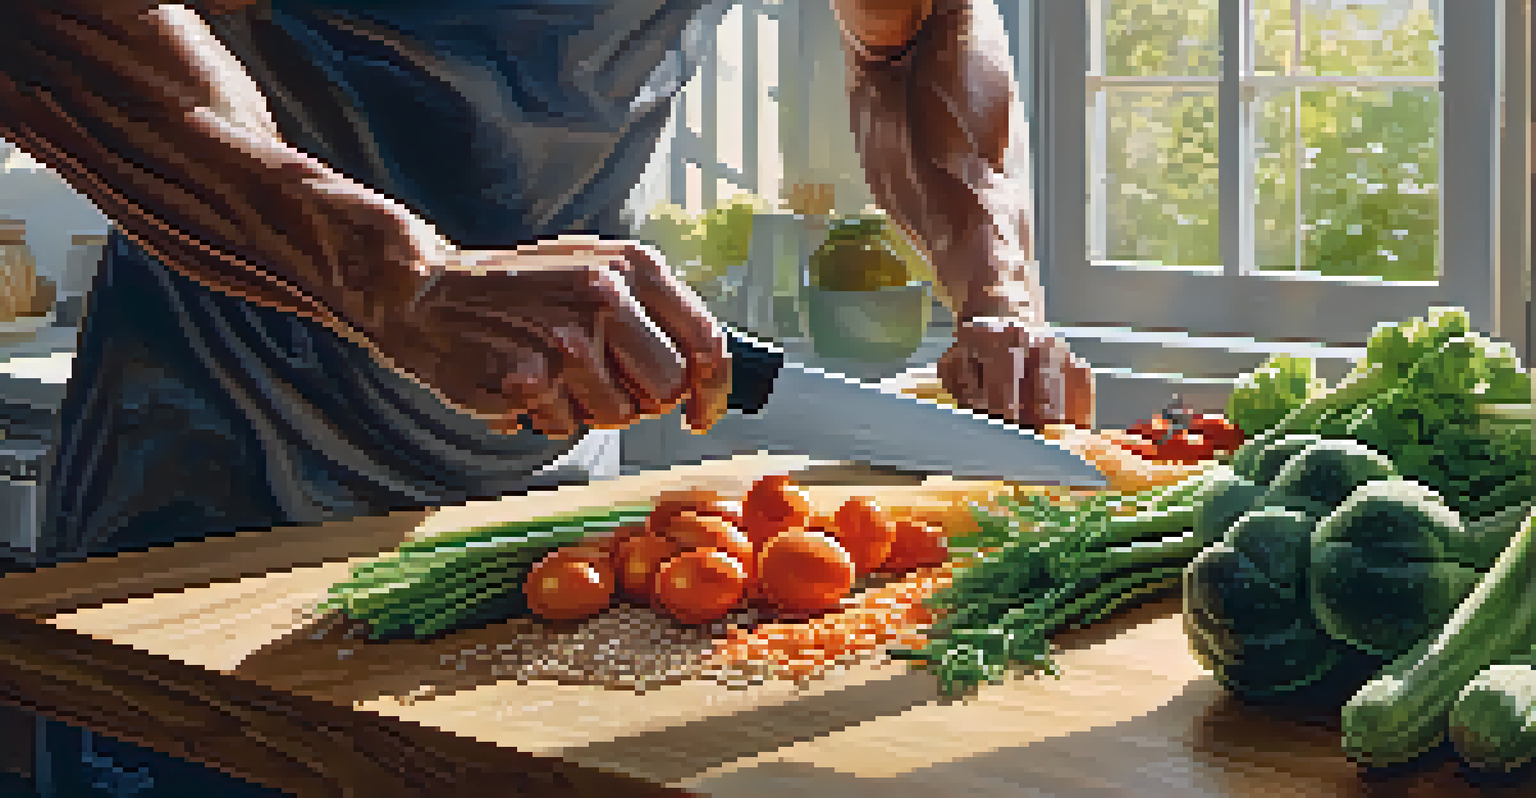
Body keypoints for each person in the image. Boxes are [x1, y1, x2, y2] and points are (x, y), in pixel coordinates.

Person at [0, 0, 1093, 562]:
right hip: (215, 491)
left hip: (541, 493)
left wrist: (998, 285)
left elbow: (918, 33)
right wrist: (405, 281)